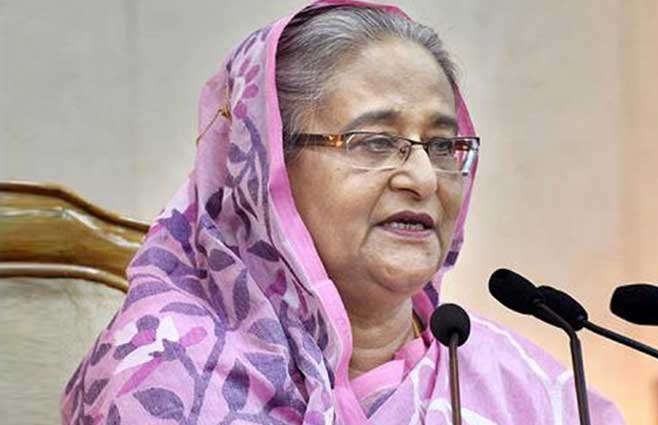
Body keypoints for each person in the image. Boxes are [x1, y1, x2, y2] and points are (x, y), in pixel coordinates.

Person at [62, 1, 624, 423]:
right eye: (375, 142)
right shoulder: (169, 372)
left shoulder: (510, 377)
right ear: (265, 170)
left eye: (442, 145)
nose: (424, 178)